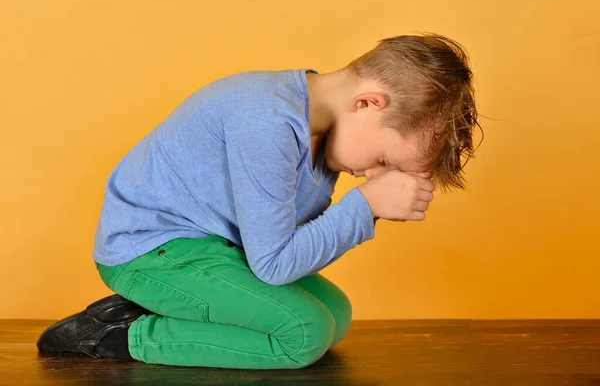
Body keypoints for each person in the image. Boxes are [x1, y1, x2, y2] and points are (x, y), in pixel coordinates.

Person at [37, 32, 481, 369]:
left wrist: (369, 206)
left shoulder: (326, 136)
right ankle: (122, 333)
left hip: (215, 249)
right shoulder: (266, 121)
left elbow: (283, 246)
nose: (372, 173)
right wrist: (364, 206)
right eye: (384, 158)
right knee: (303, 335)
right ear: (367, 103)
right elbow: (274, 263)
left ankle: (177, 309)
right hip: (148, 251)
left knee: (335, 315)